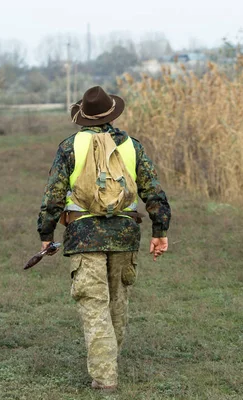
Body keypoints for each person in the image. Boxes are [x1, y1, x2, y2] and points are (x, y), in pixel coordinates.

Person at [37, 86, 171, 392]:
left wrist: (46, 235)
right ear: (112, 112)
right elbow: (154, 193)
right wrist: (160, 232)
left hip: (84, 238)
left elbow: (54, 196)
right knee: (117, 304)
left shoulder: (69, 147)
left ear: (82, 116)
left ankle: (105, 377)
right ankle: (108, 363)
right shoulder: (132, 146)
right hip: (124, 235)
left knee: (94, 306)